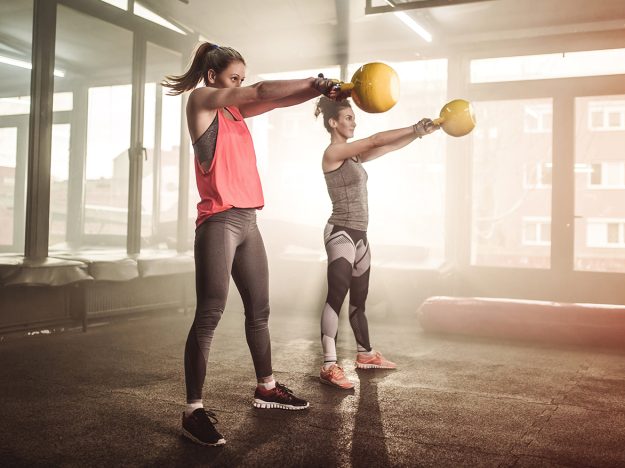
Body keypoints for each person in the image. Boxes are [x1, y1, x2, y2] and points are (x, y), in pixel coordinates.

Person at [162, 42, 345, 446]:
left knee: (259, 310)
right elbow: (262, 92)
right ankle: (192, 410)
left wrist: (322, 90)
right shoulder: (202, 102)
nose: (240, 85)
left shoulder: (232, 111)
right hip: (219, 222)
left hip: (249, 222)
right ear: (213, 77)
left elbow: (276, 101)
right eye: (233, 78)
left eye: (241, 79)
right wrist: (317, 79)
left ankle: (266, 386)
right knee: (209, 313)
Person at [314, 96, 438, 390]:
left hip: (360, 234)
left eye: (353, 118)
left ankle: (365, 354)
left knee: (359, 299)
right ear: (333, 122)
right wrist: (413, 126)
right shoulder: (334, 152)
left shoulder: (353, 156)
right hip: (341, 233)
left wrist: (417, 134)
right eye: (347, 118)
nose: (353, 122)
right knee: (337, 296)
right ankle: (329, 365)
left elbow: (387, 145)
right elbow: (376, 139)